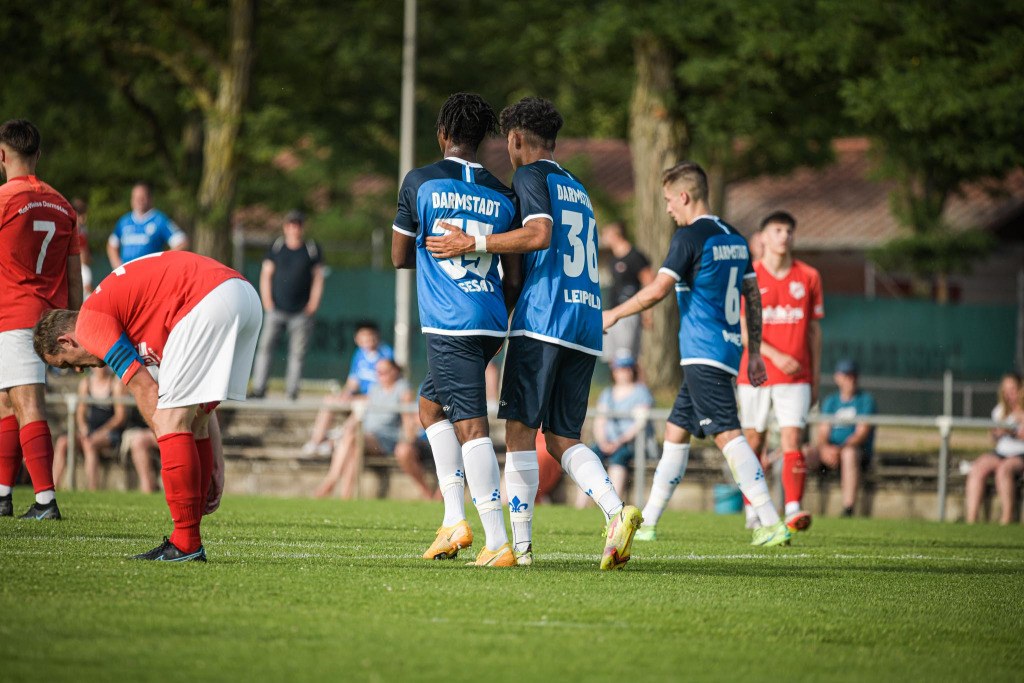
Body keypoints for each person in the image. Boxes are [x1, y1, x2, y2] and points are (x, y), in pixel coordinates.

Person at [427, 96, 643, 570]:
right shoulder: (577, 187)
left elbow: (540, 234)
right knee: (563, 437)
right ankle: (616, 510)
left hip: (545, 318)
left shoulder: (530, 176)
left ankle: (520, 548)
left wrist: (472, 242)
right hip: (585, 321)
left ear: (517, 139)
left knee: (520, 432)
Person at [603, 161, 790, 546]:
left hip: (702, 352)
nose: (668, 208)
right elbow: (753, 298)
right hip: (725, 351)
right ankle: (649, 521)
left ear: (684, 196)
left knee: (727, 434)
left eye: (669, 200)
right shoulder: (735, 237)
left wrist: (615, 313)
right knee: (676, 432)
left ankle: (771, 520)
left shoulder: (689, 237)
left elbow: (658, 290)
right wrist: (754, 351)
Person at [34, 251, 262, 561]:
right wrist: (216, 460)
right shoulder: (132, 318)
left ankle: (186, 545)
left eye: (65, 363)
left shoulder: (89, 324)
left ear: (65, 341)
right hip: (242, 296)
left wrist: (171, 446)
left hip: (208, 299)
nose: (76, 370)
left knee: (168, 422)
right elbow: (200, 410)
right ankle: (187, 539)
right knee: (186, 420)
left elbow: (145, 389)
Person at [393, 92, 522, 568]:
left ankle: (497, 541)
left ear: (443, 134)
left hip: (450, 321)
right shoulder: (504, 194)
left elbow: (399, 256)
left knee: (470, 425)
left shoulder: (420, 181)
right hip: (490, 320)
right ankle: (453, 521)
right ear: (482, 139)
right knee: (429, 408)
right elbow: (514, 278)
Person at [0, 118, 82, 520]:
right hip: (49, 318)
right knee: (6, 401)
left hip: (15, 313)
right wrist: (78, 328)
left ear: (2, 155)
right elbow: (75, 275)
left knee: (28, 402)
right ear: (38, 155)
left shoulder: (3, 200)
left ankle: (46, 500)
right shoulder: (63, 205)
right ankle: (2, 495)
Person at [736, 211, 823, 533]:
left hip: (796, 376)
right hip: (755, 372)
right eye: (777, 230)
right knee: (754, 440)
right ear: (763, 237)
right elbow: (742, 326)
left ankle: (793, 509)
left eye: (788, 230)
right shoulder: (749, 275)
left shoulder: (809, 276)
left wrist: (815, 376)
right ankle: (753, 510)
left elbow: (814, 330)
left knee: (792, 438)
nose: (784, 236)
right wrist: (773, 354)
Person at [313, 359, 432, 500]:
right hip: (366, 436)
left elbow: (406, 418)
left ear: (394, 371)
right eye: (378, 372)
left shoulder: (402, 389)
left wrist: (410, 438)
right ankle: (346, 495)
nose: (379, 375)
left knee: (352, 438)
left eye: (383, 372)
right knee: (353, 445)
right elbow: (361, 404)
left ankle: (331, 480)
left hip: (386, 439)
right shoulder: (375, 389)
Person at [249, 210, 324, 400]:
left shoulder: (311, 249)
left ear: (302, 228)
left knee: (297, 353)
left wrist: (313, 302)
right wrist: (267, 300)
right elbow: (266, 274)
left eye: (297, 225)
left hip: (301, 311)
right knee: (265, 349)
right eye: (291, 225)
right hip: (276, 309)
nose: (294, 229)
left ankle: (292, 392)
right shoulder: (277, 247)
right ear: (285, 227)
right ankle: (259, 388)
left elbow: (318, 277)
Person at [302, 321, 395, 456]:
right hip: (360, 398)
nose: (368, 340)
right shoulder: (359, 354)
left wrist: (362, 397)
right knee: (329, 401)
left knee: (360, 407)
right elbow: (353, 381)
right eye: (364, 337)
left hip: (375, 400)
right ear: (357, 339)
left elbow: (387, 387)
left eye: (370, 336)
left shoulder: (387, 354)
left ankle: (334, 442)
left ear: (377, 336)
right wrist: (345, 394)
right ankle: (316, 441)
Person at [803, 359, 876, 517]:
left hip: (855, 453)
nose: (851, 380)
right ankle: (793, 505)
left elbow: (862, 433)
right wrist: (825, 448)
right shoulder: (831, 401)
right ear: (838, 378)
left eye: (853, 375)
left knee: (849, 454)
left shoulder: (865, 400)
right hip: (830, 452)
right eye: (846, 375)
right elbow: (823, 432)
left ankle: (848, 509)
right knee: (805, 452)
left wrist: (839, 449)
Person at [581, 352, 653, 507]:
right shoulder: (607, 393)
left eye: (626, 368)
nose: (623, 373)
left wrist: (618, 442)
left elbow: (638, 425)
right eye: (620, 369)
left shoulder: (641, 392)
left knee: (618, 458)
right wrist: (603, 442)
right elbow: (600, 421)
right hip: (607, 442)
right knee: (589, 458)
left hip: (630, 444)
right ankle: (580, 505)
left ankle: (613, 506)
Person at [53, 366, 127, 490]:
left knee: (90, 444)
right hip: (91, 431)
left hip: (110, 433)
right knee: (62, 442)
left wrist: (102, 431)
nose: (100, 367)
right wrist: (83, 428)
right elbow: (80, 413)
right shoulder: (86, 383)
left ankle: (92, 489)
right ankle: (53, 488)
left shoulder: (115, 385)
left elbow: (120, 418)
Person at [965, 373, 1024, 524]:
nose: (1009, 394)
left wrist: (1011, 432)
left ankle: (1007, 519)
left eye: (1013, 390)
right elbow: (993, 439)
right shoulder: (999, 411)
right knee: (977, 467)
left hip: (1020, 454)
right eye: (1006, 391)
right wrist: (995, 433)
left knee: (1004, 470)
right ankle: (971, 519)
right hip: (1001, 452)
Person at [601, 222, 653, 363]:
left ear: (615, 234)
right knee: (613, 359)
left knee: (627, 359)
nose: (603, 237)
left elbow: (649, 282)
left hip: (628, 313)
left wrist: (647, 313)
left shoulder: (634, 256)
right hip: (612, 312)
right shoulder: (613, 258)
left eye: (606, 234)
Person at [106, 181, 188, 268]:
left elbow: (182, 243)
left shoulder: (159, 220)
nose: (138, 201)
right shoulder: (124, 221)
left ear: (150, 199)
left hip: (150, 273)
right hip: (127, 274)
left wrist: (162, 263)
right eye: (135, 197)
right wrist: (118, 267)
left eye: (142, 198)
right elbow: (112, 245)